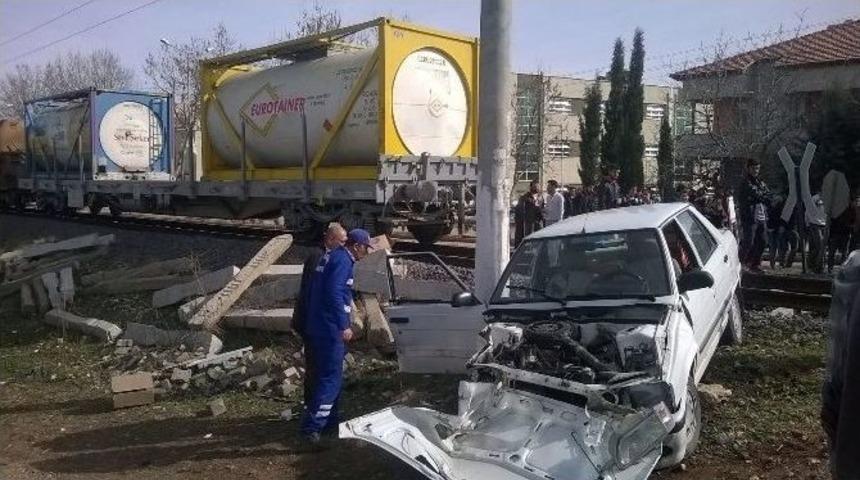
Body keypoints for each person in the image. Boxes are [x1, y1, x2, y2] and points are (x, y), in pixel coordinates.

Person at [300, 228, 373, 442]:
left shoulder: (331, 256)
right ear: (356, 246)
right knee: (330, 378)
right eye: (365, 248)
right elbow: (334, 292)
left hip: (317, 325)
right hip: (330, 328)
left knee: (325, 376)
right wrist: (343, 325)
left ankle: (330, 425)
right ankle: (312, 428)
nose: (366, 253)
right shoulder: (343, 261)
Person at [294, 223, 346, 409]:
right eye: (342, 242)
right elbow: (314, 293)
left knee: (319, 368)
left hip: (316, 322)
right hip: (312, 322)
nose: (344, 246)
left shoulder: (327, 257)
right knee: (316, 368)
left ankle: (316, 406)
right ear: (331, 239)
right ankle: (312, 407)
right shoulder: (319, 257)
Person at [737, 159, 771, 273]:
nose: (756, 171)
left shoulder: (759, 181)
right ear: (748, 168)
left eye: (757, 168)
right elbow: (757, 194)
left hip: (761, 216)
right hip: (750, 217)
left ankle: (755, 264)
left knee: (763, 241)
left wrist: (762, 195)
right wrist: (762, 195)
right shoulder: (745, 182)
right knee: (749, 242)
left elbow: (768, 195)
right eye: (753, 168)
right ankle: (741, 263)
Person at [514, 180, 543, 245]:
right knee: (529, 237)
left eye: (538, 186)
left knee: (538, 237)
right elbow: (519, 208)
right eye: (535, 186)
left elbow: (542, 208)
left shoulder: (540, 197)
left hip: (538, 221)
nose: (536, 188)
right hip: (529, 221)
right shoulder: (525, 197)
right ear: (531, 187)